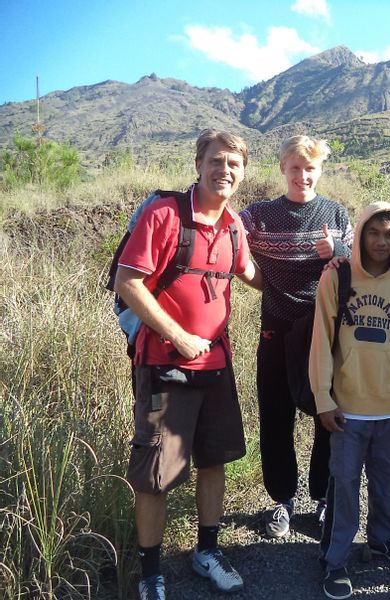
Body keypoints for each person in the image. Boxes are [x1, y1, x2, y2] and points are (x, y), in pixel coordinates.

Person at [115, 129, 261, 599]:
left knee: (213, 460)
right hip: (163, 365)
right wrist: (177, 334)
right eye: (216, 160)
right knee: (155, 475)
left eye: (234, 164)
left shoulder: (233, 225)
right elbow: (128, 283)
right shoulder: (165, 214)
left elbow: (252, 274)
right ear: (198, 163)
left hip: (216, 365)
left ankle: (206, 551)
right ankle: (151, 573)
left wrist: (325, 268)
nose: (225, 171)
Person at [241, 135, 353, 538]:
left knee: (328, 414)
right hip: (276, 325)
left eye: (310, 168)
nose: (302, 176)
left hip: (324, 328)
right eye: (295, 168)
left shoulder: (336, 214)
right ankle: (282, 499)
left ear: (320, 170)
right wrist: (267, 286)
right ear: (283, 168)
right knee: (275, 413)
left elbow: (354, 270)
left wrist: (336, 248)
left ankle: (323, 497)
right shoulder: (259, 216)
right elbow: (229, 242)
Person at [311, 202, 390, 600]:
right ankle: (336, 559)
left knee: (386, 481)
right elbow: (322, 343)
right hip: (347, 408)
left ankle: (381, 539)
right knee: (344, 486)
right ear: (359, 234)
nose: (381, 241)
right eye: (373, 232)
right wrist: (323, 398)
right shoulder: (338, 278)